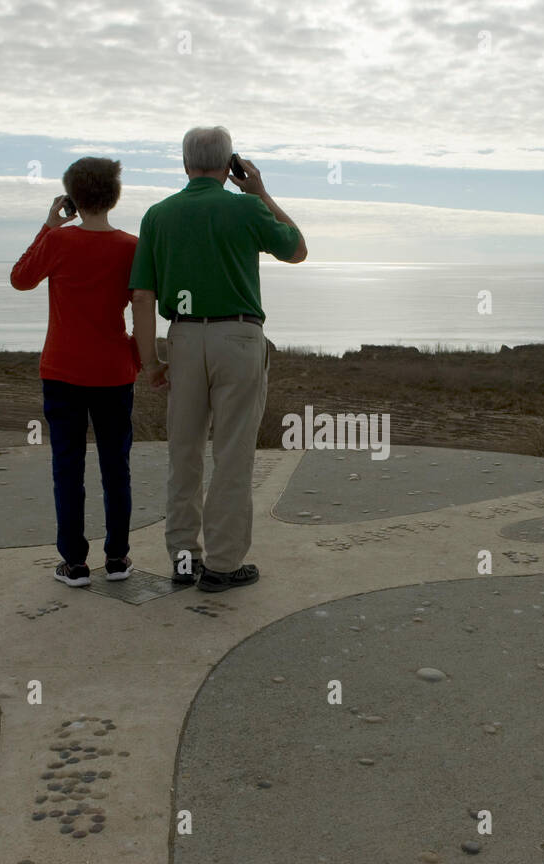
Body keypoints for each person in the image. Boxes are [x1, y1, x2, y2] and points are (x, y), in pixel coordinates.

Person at [130, 126, 306, 592]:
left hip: (184, 338)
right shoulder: (245, 207)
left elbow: (143, 296)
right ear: (229, 164)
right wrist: (261, 191)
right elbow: (297, 249)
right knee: (232, 456)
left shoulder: (158, 216)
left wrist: (150, 362)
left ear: (185, 163)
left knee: (183, 453)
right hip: (239, 336)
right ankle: (223, 567)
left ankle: (184, 562)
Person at [10, 156, 141, 587]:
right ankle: (118, 559)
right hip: (114, 373)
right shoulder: (131, 247)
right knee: (115, 467)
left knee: (67, 467)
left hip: (63, 371)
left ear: (73, 198)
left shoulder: (59, 242)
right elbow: (142, 307)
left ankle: (75, 563)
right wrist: (139, 360)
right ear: (114, 196)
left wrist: (49, 225)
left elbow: (21, 279)